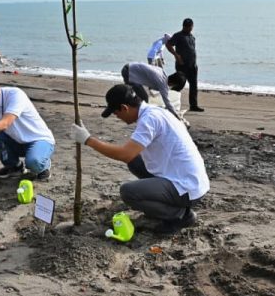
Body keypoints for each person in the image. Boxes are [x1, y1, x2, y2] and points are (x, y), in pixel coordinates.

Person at [72, 84, 208, 234]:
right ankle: (165, 205)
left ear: (124, 108)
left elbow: (125, 154)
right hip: (190, 178)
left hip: (188, 187)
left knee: (128, 192)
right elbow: (131, 156)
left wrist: (88, 140)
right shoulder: (155, 111)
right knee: (135, 162)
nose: (118, 117)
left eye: (116, 113)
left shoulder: (149, 119)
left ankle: (181, 215)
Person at [121, 62, 186, 121]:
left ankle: (128, 109)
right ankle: (137, 116)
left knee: (137, 96)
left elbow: (151, 80)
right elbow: (167, 103)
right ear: (174, 84)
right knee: (144, 99)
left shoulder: (162, 73)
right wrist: (176, 115)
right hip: (128, 72)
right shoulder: (162, 83)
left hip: (129, 67)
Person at [166, 18, 203, 112]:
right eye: (187, 27)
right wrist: (176, 55)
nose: (189, 29)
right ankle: (169, 100)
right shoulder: (178, 35)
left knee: (194, 85)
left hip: (192, 65)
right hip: (182, 65)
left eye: (190, 27)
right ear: (183, 26)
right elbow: (168, 45)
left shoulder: (192, 37)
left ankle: (193, 105)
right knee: (181, 83)